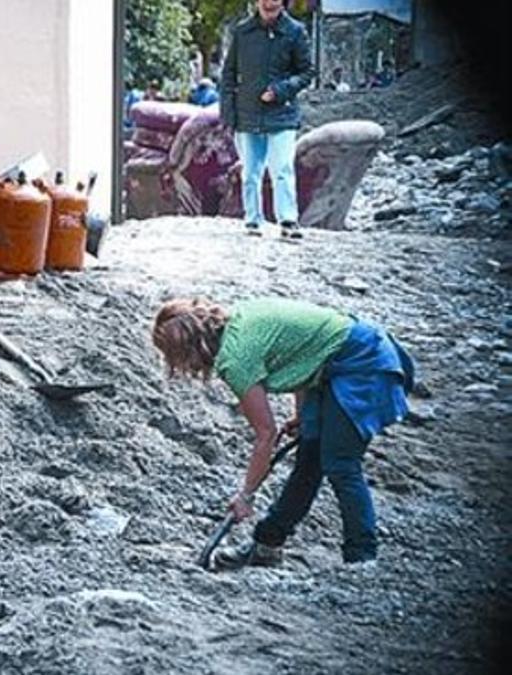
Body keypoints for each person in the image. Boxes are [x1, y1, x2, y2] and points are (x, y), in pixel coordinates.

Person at [151, 297, 415, 570]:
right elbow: (301, 358)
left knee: (341, 464)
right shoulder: (238, 321)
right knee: (309, 458)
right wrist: (301, 417)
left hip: (364, 362)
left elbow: (266, 434)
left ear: (189, 348)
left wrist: (246, 497)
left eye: (175, 357)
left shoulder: (236, 360)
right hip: (335, 360)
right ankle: (267, 544)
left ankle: (362, 560)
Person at [219, 0, 314, 239]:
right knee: (250, 171)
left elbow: (307, 72)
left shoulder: (295, 31)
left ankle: (288, 220)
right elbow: (228, 74)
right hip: (247, 113)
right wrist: (228, 115)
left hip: (282, 113)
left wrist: (281, 90)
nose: (268, 2)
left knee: (282, 168)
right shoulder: (242, 31)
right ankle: (252, 219)